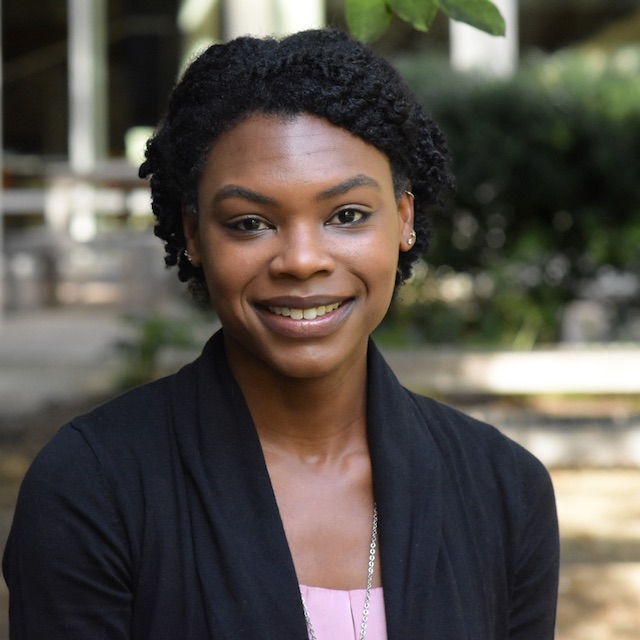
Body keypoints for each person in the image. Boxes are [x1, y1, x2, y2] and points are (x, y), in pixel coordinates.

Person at [3, 29, 559, 639]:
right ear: (193, 234)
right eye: (250, 223)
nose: (301, 259)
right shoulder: (93, 488)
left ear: (402, 218)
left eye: (346, 215)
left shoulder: (503, 490)